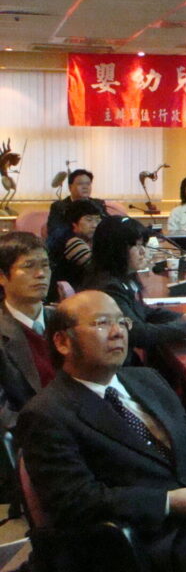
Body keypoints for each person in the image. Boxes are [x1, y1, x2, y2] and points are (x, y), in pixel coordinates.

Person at [16, 290, 186, 572]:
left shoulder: (147, 379)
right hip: (149, 540)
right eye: (102, 323)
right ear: (62, 341)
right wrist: (168, 502)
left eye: (122, 322)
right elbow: (76, 500)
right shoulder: (47, 413)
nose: (118, 332)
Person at [84, 217, 186, 350]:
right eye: (136, 245)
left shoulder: (122, 277)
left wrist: (182, 318)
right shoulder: (109, 287)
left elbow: (143, 312)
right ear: (115, 249)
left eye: (143, 244)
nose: (143, 251)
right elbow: (137, 333)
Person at [0, 232, 57, 430]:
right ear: (2, 276)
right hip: (30, 435)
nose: (41, 274)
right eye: (28, 266)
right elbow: (4, 414)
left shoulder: (67, 321)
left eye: (45, 265)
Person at [47, 198, 102, 292]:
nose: (95, 225)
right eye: (89, 220)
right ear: (74, 224)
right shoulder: (71, 241)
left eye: (97, 220)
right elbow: (98, 271)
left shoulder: (92, 241)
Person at [46, 168, 108, 237]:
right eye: (80, 184)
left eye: (88, 184)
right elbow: (54, 230)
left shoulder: (98, 204)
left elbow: (108, 225)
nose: (85, 187)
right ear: (70, 187)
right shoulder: (59, 206)